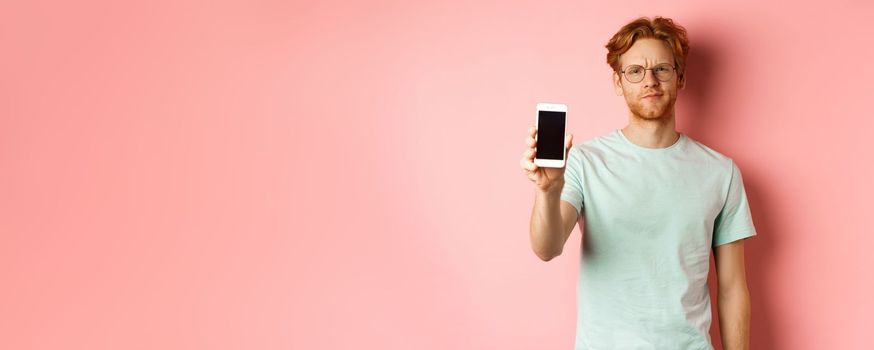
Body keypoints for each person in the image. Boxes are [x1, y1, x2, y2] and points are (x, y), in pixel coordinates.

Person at [519, 16, 756, 350]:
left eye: (662, 69)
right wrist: (547, 190)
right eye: (635, 71)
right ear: (619, 82)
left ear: (680, 77)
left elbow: (732, 288)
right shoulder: (586, 162)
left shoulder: (721, 172)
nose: (650, 81)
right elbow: (547, 247)